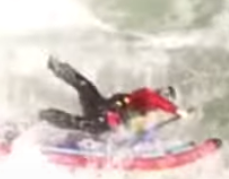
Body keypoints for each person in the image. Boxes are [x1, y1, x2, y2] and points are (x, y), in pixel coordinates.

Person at [37, 56, 180, 138]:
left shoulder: (144, 113)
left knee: (79, 123)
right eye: (163, 90)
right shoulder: (142, 96)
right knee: (85, 86)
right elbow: (127, 100)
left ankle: (40, 117)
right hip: (99, 106)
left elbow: (131, 130)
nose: (161, 92)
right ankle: (55, 65)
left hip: (100, 124)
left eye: (166, 95)